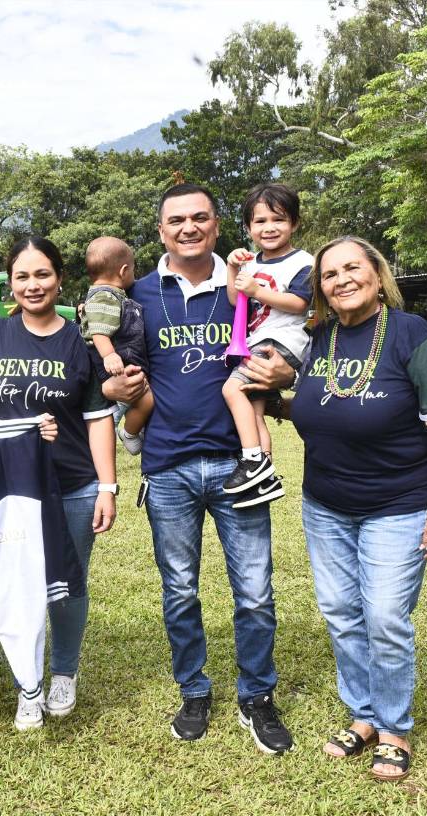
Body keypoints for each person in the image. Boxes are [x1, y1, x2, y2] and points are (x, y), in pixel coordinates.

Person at [118, 182, 297, 753]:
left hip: (237, 466)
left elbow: (295, 340)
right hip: (168, 467)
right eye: (176, 220)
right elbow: (122, 373)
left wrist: (285, 380)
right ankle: (194, 690)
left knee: (255, 593)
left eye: (200, 217)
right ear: (161, 231)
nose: (188, 227)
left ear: (218, 226)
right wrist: (118, 398)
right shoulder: (139, 295)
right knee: (179, 591)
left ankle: (257, 696)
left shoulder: (249, 282)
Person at [285, 236, 427, 782]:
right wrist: (268, 399)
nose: (341, 280)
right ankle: (362, 716)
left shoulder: (410, 333)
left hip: (397, 505)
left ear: (377, 274)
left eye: (352, 268)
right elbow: (317, 403)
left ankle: (393, 729)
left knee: (384, 616)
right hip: (325, 504)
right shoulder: (321, 336)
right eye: (329, 274)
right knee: (341, 612)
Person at [0, 236, 117, 722]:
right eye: (22, 276)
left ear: (60, 279)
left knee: (68, 582)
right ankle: (28, 680)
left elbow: (98, 419)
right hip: (9, 488)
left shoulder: (81, 343)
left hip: (73, 484)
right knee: (17, 583)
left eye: (42, 274)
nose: (32, 285)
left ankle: (64, 672)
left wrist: (107, 486)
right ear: (10, 283)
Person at [221, 183, 312, 507]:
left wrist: (258, 290)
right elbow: (236, 300)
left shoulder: (303, 262)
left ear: (294, 223)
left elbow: (299, 303)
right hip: (257, 340)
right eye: (260, 221)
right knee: (254, 408)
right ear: (248, 228)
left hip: (281, 342)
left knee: (231, 390)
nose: (269, 227)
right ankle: (265, 478)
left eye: (278, 219)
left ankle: (251, 459)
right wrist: (233, 268)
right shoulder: (250, 263)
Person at [79, 236, 152, 456]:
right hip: (114, 362)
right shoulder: (105, 296)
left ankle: (130, 428)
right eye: (133, 270)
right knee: (146, 400)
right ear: (123, 271)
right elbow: (99, 331)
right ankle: (129, 433)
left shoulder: (113, 295)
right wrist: (109, 355)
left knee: (141, 398)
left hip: (123, 361)